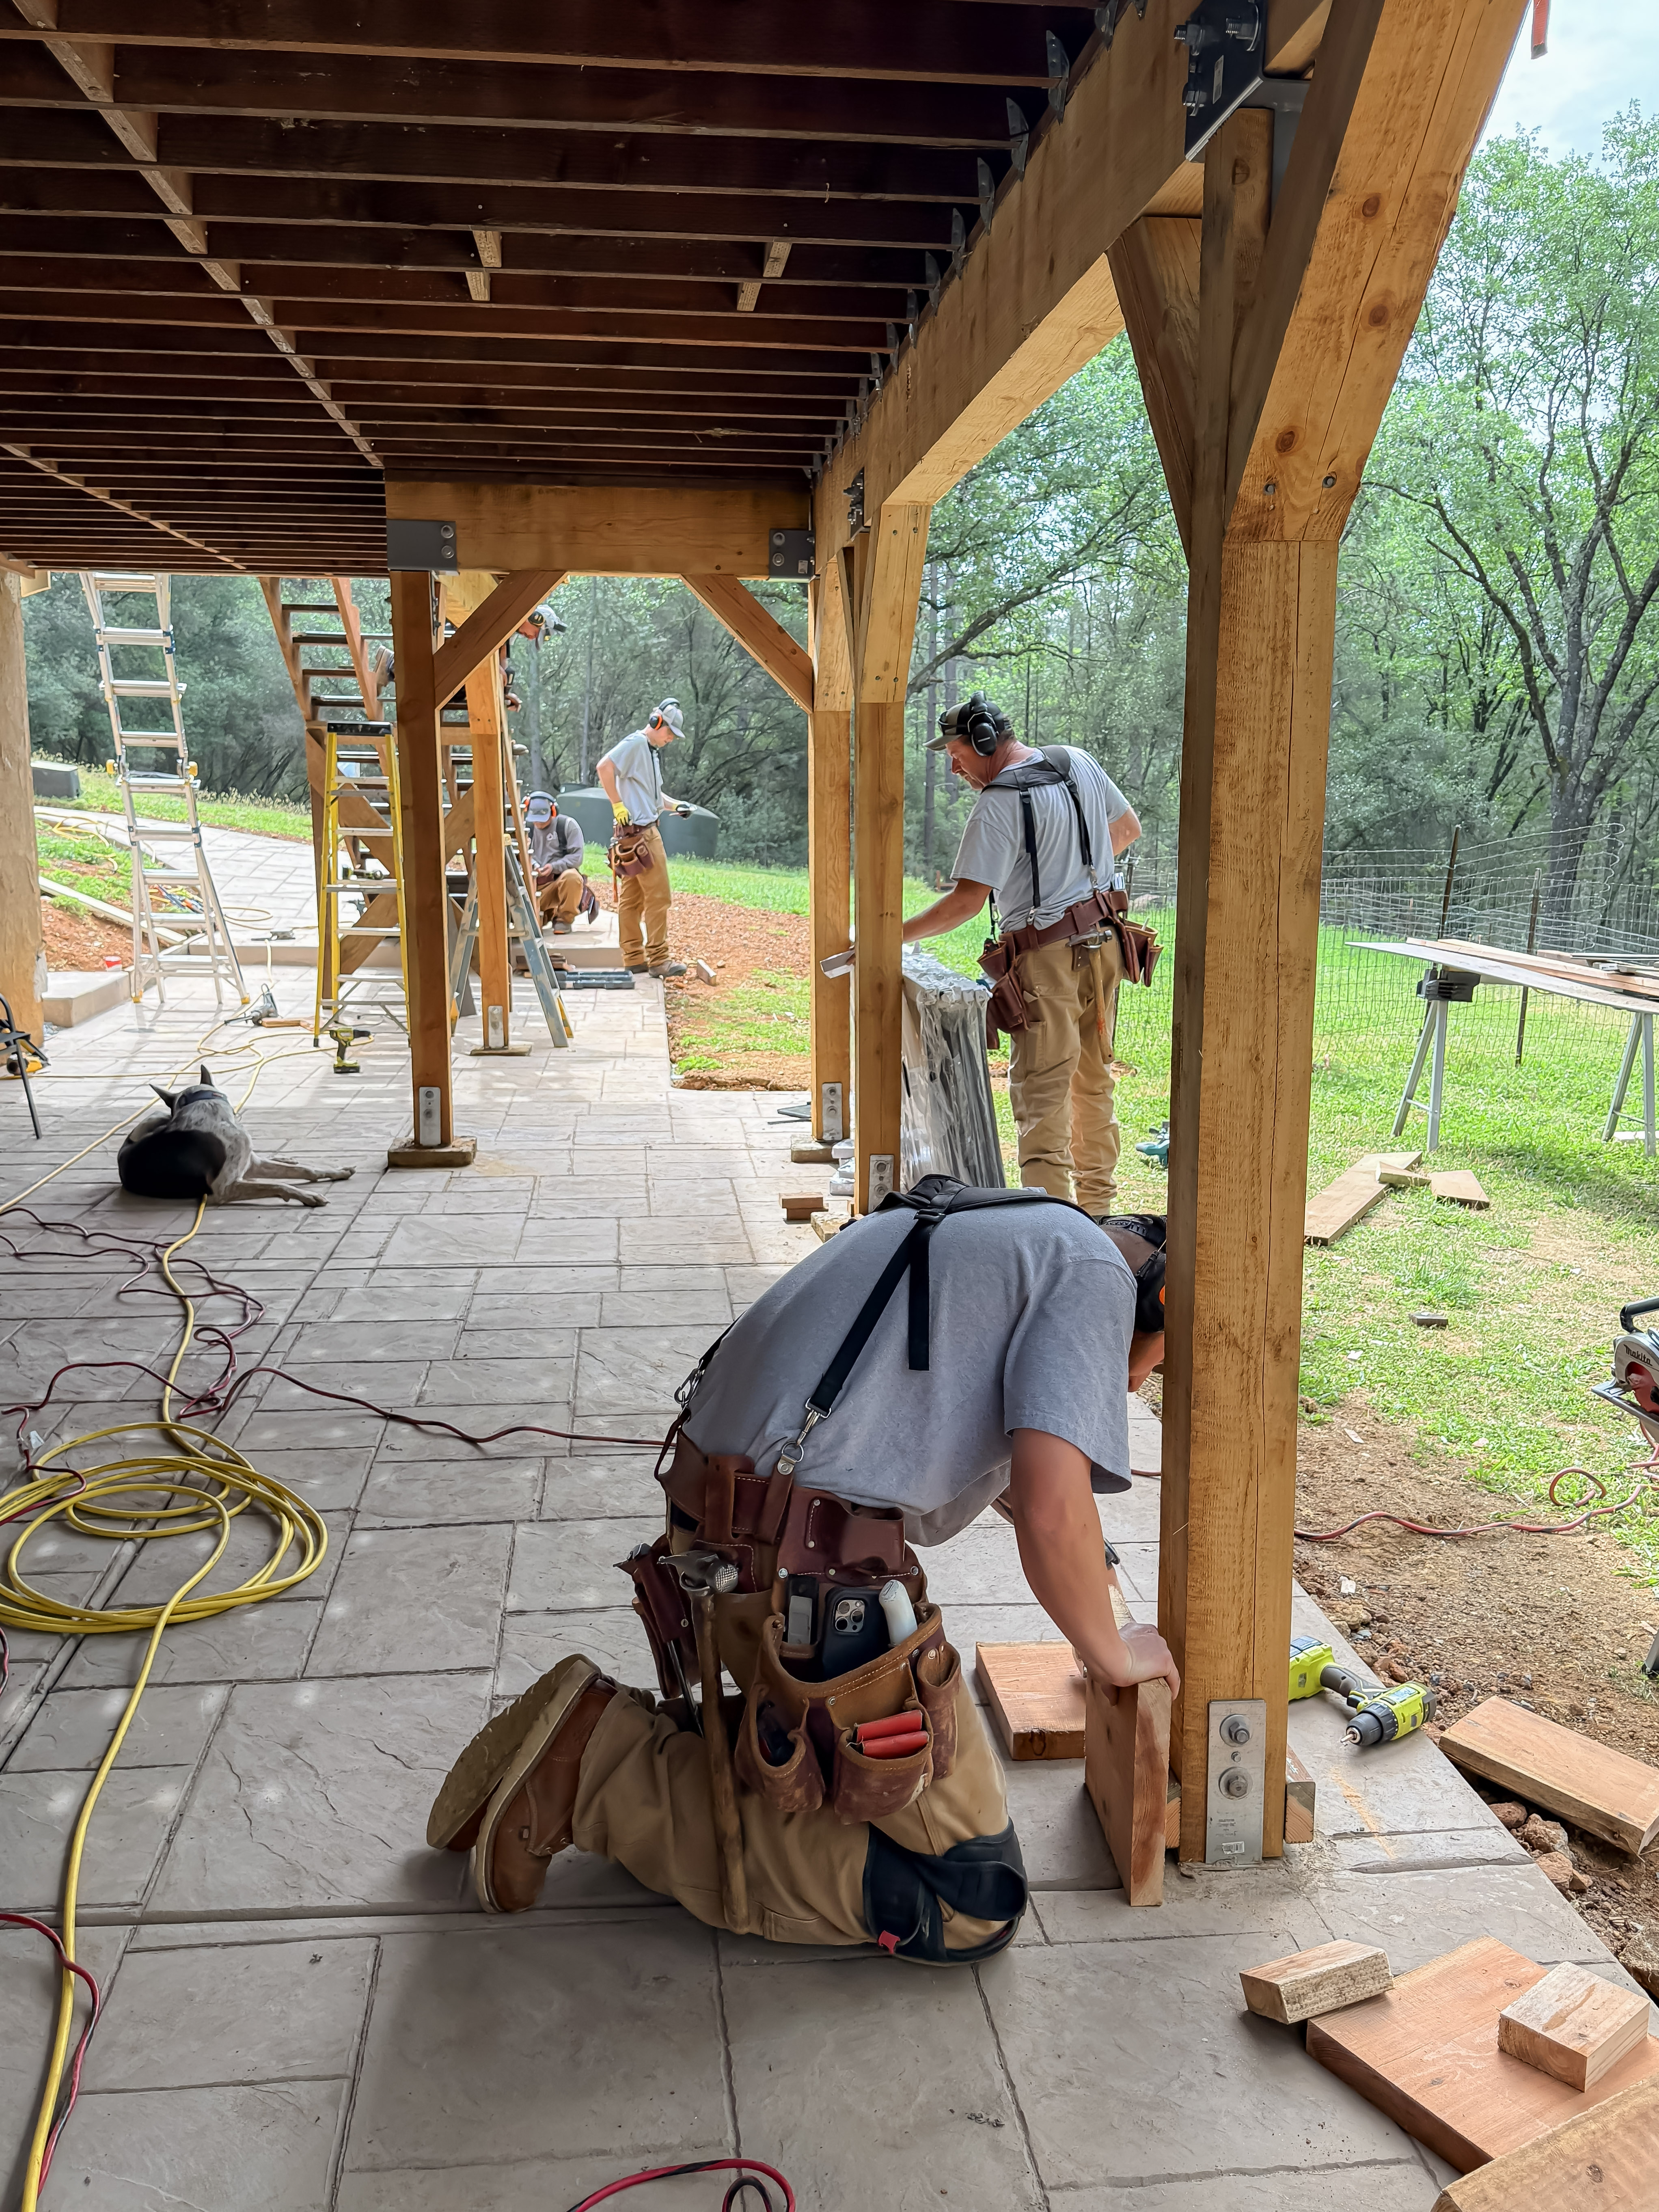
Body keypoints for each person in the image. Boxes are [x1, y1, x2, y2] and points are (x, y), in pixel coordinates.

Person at [426, 1183, 1176, 1961]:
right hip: (798, 1571)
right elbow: (1054, 1512)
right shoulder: (1095, 1276)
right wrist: (1113, 1651)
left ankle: (639, 1744)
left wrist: (1089, 1582)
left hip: (731, 1529)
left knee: (841, 1786)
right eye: (1157, 1361)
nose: (1133, 1385)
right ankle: (595, 1768)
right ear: (1158, 1296)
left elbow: (1018, 1482)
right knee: (971, 1895)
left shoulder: (1012, 1227)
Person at [901, 695, 1141, 1217]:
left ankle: (1055, 1232)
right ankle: (1098, 1216)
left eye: (957, 750)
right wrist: (1074, 878)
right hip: (1104, 945)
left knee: (1041, 1098)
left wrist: (890, 935)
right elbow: (1125, 831)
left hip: (1046, 962)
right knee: (1093, 1085)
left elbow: (965, 902)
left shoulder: (997, 804)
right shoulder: (1076, 762)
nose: (953, 764)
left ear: (985, 741)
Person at [595, 699, 694, 980]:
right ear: (656, 723)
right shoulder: (636, 744)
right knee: (659, 897)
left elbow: (653, 796)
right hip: (643, 835)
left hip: (631, 834)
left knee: (632, 900)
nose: (671, 738)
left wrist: (676, 806)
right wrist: (616, 804)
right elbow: (604, 767)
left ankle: (634, 958)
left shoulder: (649, 752)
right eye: (669, 732)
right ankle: (659, 960)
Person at [524, 792, 592, 934]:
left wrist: (554, 867)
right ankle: (537, 917)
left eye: (542, 819)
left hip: (558, 882)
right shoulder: (525, 829)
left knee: (572, 877)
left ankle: (564, 919)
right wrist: (534, 866)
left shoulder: (567, 826)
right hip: (534, 886)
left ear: (553, 811)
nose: (538, 823)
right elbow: (518, 856)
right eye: (535, 819)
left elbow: (577, 857)